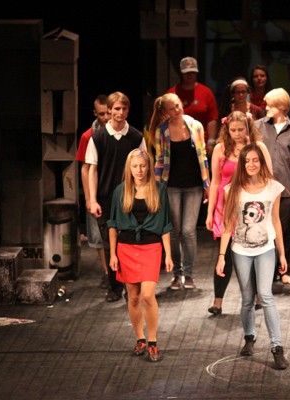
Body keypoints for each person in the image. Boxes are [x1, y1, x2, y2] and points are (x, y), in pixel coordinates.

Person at [215, 143, 289, 370]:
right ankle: (249, 336)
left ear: (261, 162)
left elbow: (276, 221)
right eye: (247, 161)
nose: (251, 164)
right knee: (247, 297)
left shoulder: (273, 187)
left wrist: (282, 253)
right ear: (242, 164)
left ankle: (277, 347)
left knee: (265, 295)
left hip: (266, 248)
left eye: (255, 160)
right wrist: (221, 256)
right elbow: (228, 225)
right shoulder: (232, 190)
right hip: (241, 250)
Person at [107, 149, 173, 362]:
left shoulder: (159, 190)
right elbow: (112, 225)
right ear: (129, 168)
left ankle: (152, 341)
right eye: (135, 166)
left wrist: (169, 255)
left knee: (147, 295)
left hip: (151, 247)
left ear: (149, 167)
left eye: (143, 166)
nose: (139, 170)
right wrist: (112, 254)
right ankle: (140, 339)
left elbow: (165, 225)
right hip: (126, 248)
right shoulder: (120, 191)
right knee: (133, 296)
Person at [206, 111, 272, 315]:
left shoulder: (257, 147)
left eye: (240, 129)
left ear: (248, 128)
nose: (236, 134)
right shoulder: (220, 148)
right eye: (232, 130)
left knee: (251, 250)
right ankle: (218, 301)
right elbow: (215, 181)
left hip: (250, 205)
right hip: (225, 206)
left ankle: (257, 296)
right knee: (223, 253)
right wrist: (209, 212)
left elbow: (268, 176)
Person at [86, 91, 147, 302]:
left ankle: (131, 285)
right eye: (116, 109)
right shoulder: (98, 137)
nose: (120, 113)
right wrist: (92, 199)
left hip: (131, 196)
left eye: (124, 108)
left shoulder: (136, 137)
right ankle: (114, 287)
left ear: (128, 110)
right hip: (106, 198)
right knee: (109, 243)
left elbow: (144, 166)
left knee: (130, 242)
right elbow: (92, 169)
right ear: (110, 110)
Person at [150, 93, 210, 290]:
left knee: (188, 230)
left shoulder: (195, 126)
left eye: (178, 105)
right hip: (172, 185)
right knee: (174, 231)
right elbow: (159, 160)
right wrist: (157, 188)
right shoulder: (162, 130)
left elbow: (203, 157)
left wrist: (207, 185)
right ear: (165, 112)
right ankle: (177, 274)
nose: (177, 110)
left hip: (194, 185)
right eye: (172, 108)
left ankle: (189, 274)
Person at [254, 88, 290, 285]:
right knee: (261, 228)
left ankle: (283, 270)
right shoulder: (257, 126)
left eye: (270, 105)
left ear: (281, 107)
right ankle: (265, 271)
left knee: (283, 229)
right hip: (260, 186)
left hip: (284, 188)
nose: (266, 108)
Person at [75, 94, 111, 289]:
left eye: (107, 113)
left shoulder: (118, 134)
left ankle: (117, 272)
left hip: (113, 191)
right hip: (96, 193)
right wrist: (89, 198)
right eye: (101, 114)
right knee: (97, 237)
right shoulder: (88, 136)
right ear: (95, 113)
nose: (105, 117)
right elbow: (84, 169)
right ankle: (106, 273)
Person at [167, 57, 219, 154]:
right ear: (181, 73)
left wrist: (211, 140)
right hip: (177, 142)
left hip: (201, 142)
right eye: (187, 73)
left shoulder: (206, 92)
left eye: (192, 72)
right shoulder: (172, 93)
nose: (190, 75)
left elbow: (212, 119)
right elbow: (165, 118)